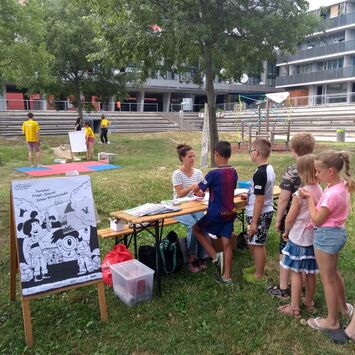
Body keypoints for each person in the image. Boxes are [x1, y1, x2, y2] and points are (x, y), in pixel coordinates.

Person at [299, 150, 355, 330]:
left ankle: (332, 321)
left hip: (327, 237)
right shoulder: (341, 185)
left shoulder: (331, 194)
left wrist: (308, 199)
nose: (316, 174)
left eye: (318, 171)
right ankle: (344, 309)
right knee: (333, 273)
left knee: (327, 279)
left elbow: (317, 219)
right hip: (337, 233)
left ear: (330, 171)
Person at [267, 133, 315, 300]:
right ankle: (300, 286)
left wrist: (279, 219)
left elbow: (283, 198)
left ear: (294, 149)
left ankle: (283, 287)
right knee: (303, 252)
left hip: (292, 218)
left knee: (286, 251)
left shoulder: (292, 171)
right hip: (310, 219)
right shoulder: (315, 167)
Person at [277, 154, 322, 318]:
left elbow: (290, 218)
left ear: (302, 173)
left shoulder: (300, 193)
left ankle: (294, 307)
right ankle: (309, 302)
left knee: (296, 272)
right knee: (310, 273)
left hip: (299, 238)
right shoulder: (320, 190)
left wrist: (286, 232)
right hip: (313, 239)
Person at [191, 141, 238, 285]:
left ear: (216, 155)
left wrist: (199, 191)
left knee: (196, 229)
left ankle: (215, 257)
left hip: (215, 213)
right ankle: (227, 277)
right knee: (227, 244)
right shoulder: (233, 172)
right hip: (229, 213)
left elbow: (197, 188)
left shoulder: (213, 173)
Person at [243, 138, 275, 283]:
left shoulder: (260, 173)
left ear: (256, 152)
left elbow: (260, 200)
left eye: (251, 151)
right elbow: (260, 194)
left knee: (257, 244)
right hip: (259, 211)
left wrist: (254, 222)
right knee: (253, 241)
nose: (250, 154)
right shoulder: (268, 168)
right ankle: (258, 267)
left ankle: (259, 275)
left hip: (259, 214)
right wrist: (249, 195)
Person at [172, 144, 208, 272]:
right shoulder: (177, 174)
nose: (192, 159)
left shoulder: (198, 172)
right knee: (194, 226)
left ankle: (202, 255)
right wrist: (193, 187)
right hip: (179, 207)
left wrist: (201, 192)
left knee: (203, 223)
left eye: (194, 156)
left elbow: (204, 189)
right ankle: (192, 257)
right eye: (189, 156)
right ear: (182, 158)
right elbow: (180, 193)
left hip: (195, 205)